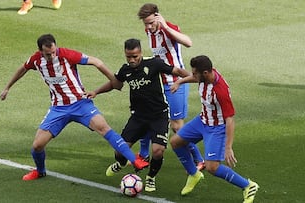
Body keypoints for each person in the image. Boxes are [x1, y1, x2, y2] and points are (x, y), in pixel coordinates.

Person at [0, 34, 149, 181]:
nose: (52, 55)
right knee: (37, 145)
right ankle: (40, 171)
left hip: (80, 104)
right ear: (40, 51)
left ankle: (134, 160)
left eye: (53, 51)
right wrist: (7, 87)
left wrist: (114, 80)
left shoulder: (66, 54)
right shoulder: (36, 60)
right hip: (58, 108)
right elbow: (23, 68)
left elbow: (96, 62)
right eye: (48, 54)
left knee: (104, 128)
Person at [86, 38, 190, 192]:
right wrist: (96, 91)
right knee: (119, 150)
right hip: (138, 117)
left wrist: (191, 79)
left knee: (157, 150)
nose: (132, 60)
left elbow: (178, 71)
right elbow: (116, 84)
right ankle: (121, 163)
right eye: (129, 56)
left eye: (135, 56)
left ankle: (151, 178)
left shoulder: (154, 63)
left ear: (140, 52)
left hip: (159, 115)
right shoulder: (126, 70)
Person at [169, 55, 259, 202]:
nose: (193, 75)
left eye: (195, 73)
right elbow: (193, 78)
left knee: (212, 167)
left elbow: (230, 119)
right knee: (175, 142)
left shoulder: (220, 91)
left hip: (217, 128)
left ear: (205, 73)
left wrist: (228, 147)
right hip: (202, 121)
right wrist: (180, 81)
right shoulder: (205, 76)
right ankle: (194, 174)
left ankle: (248, 186)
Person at [137, 3, 205, 170]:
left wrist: (166, 26)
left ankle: (199, 159)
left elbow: (188, 43)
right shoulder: (149, 31)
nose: (149, 26)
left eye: (151, 22)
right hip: (160, 83)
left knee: (176, 126)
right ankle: (143, 154)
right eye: (146, 23)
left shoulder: (168, 28)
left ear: (158, 16)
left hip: (176, 83)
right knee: (148, 115)